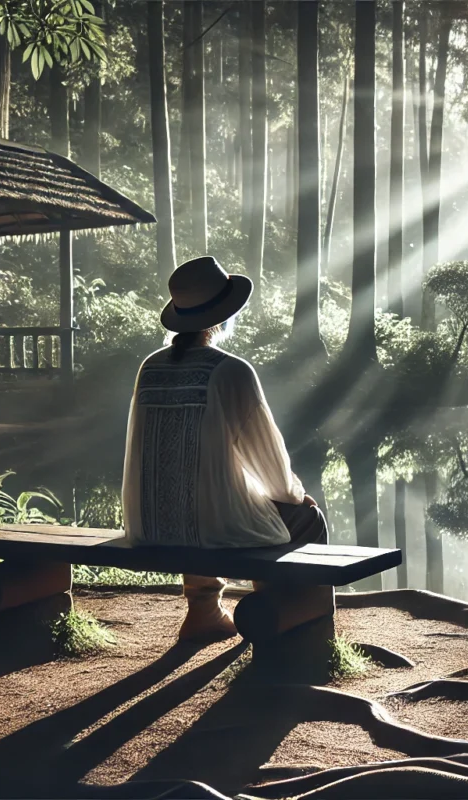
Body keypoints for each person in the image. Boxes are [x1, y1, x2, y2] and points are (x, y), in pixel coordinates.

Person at [122, 256, 326, 642]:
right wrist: (297, 496)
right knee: (307, 521)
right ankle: (289, 620)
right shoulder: (230, 370)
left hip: (148, 525)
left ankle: (204, 611)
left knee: (199, 504)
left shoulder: (150, 367)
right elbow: (269, 464)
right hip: (205, 530)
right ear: (222, 317)